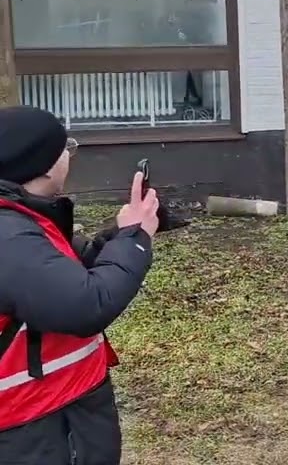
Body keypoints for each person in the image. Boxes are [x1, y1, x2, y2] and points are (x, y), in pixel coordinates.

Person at [0, 106, 160, 464]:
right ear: (42, 164)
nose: (70, 157)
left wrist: (124, 233)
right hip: (35, 425)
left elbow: (58, 272)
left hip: (57, 409)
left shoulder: (22, 218)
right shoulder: (8, 236)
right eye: (66, 149)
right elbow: (86, 304)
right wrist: (134, 241)